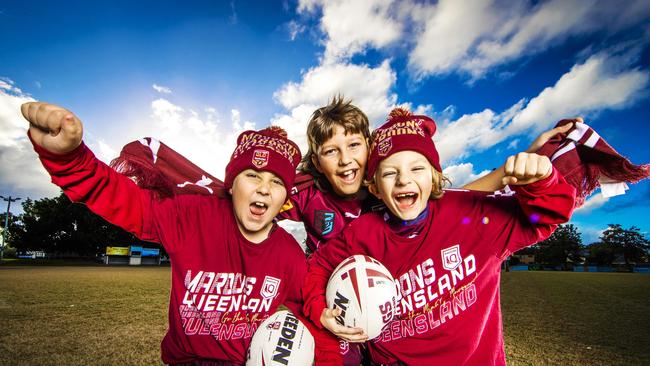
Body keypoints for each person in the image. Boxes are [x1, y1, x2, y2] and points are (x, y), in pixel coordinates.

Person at [21, 102, 338, 365]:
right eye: (252, 175)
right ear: (231, 184)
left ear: (285, 198)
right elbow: (115, 195)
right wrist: (67, 158)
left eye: (277, 182)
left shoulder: (287, 253)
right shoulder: (191, 217)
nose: (264, 189)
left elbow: (315, 314)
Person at [302, 107, 576, 365]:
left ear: (435, 177)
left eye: (417, 169)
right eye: (390, 173)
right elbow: (320, 265)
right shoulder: (362, 231)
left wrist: (542, 180)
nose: (403, 180)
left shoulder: (468, 216)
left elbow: (545, 216)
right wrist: (318, 308)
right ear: (374, 187)